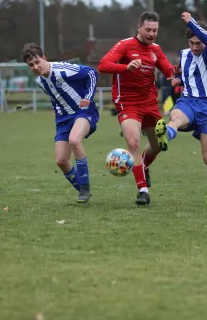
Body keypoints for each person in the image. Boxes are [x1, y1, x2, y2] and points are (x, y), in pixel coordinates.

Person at [98, 11, 176, 206]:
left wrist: (174, 76)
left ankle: (143, 166)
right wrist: (126, 68)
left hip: (149, 103)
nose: (151, 34)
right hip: (127, 102)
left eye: (155, 30)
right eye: (148, 29)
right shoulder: (124, 45)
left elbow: (168, 69)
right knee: (133, 142)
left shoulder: (156, 49)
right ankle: (143, 190)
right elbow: (103, 65)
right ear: (139, 28)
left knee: (158, 145)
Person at [155, 12, 207, 206]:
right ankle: (164, 136)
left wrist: (191, 22)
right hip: (188, 101)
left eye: (198, 43)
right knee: (175, 118)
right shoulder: (184, 55)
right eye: (192, 43)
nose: (195, 47)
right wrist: (179, 80)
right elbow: (188, 74)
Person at [22, 43, 99, 203]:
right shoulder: (40, 82)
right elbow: (56, 96)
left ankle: (84, 189)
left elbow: (91, 73)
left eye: (37, 62)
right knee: (61, 161)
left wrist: (88, 97)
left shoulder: (62, 69)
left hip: (83, 111)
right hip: (63, 119)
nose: (35, 67)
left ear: (44, 58)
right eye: (31, 65)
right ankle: (83, 190)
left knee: (75, 141)